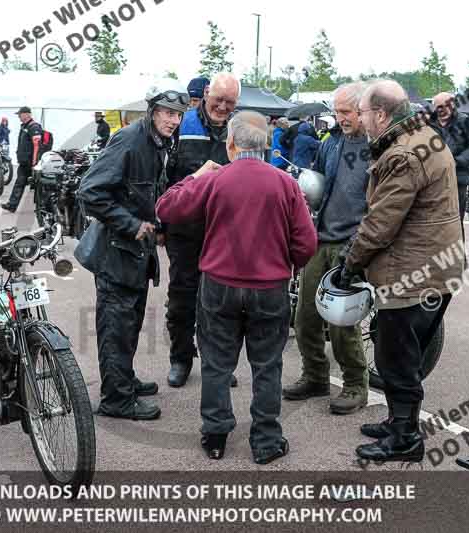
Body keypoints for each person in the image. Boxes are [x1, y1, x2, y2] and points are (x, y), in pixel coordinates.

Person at [157, 111, 316, 463]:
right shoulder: (286, 184)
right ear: (267, 145)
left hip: (219, 285)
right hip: (269, 287)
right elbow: (306, 244)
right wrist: (284, 262)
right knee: (267, 365)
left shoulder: (215, 180)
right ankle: (266, 440)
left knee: (216, 364)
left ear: (230, 144)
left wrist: (196, 175)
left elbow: (166, 207)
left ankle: (215, 435)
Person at [344, 80, 463, 463]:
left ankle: (406, 439)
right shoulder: (423, 135)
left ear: (381, 113)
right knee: (404, 356)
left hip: (412, 274)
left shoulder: (403, 154)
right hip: (435, 267)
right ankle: (399, 423)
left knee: (396, 359)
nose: (361, 120)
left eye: (362, 113)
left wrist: (351, 262)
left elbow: (381, 223)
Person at [76, 81, 188, 421]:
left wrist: (160, 224)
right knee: (116, 326)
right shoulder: (129, 139)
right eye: (168, 113)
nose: (174, 121)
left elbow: (149, 191)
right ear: (153, 112)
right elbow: (90, 192)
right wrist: (132, 225)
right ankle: (116, 399)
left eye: (179, 115)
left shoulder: (160, 142)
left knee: (129, 323)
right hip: (116, 253)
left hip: (138, 254)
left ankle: (122, 379)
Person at [284, 82, 370, 413]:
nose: (339, 117)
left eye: (346, 111)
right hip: (321, 238)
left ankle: (354, 384)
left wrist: (361, 245)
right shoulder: (330, 142)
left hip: (352, 243)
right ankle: (315, 376)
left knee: (341, 322)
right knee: (305, 317)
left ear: (363, 110)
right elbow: (317, 182)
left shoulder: (376, 146)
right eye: (336, 110)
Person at [164, 72, 241, 388]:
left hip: (224, 232)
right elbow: (165, 176)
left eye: (229, 102)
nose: (222, 106)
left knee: (222, 302)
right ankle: (181, 358)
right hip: (185, 229)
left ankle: (217, 362)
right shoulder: (182, 125)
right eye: (218, 99)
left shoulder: (241, 129)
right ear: (206, 94)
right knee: (182, 296)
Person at [430, 92, 469, 222]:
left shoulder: (466, 121)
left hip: (457, 178)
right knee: (433, 222)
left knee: (455, 223)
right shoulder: (428, 124)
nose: (444, 109)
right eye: (440, 107)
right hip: (433, 179)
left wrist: (456, 161)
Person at [1, 107, 43, 213]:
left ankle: (41, 207)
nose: (19, 116)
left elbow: (37, 145)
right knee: (20, 183)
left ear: (27, 114)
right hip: (24, 162)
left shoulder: (34, 127)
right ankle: (12, 205)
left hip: (30, 162)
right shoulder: (25, 126)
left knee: (37, 185)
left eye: (20, 114)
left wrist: (34, 162)